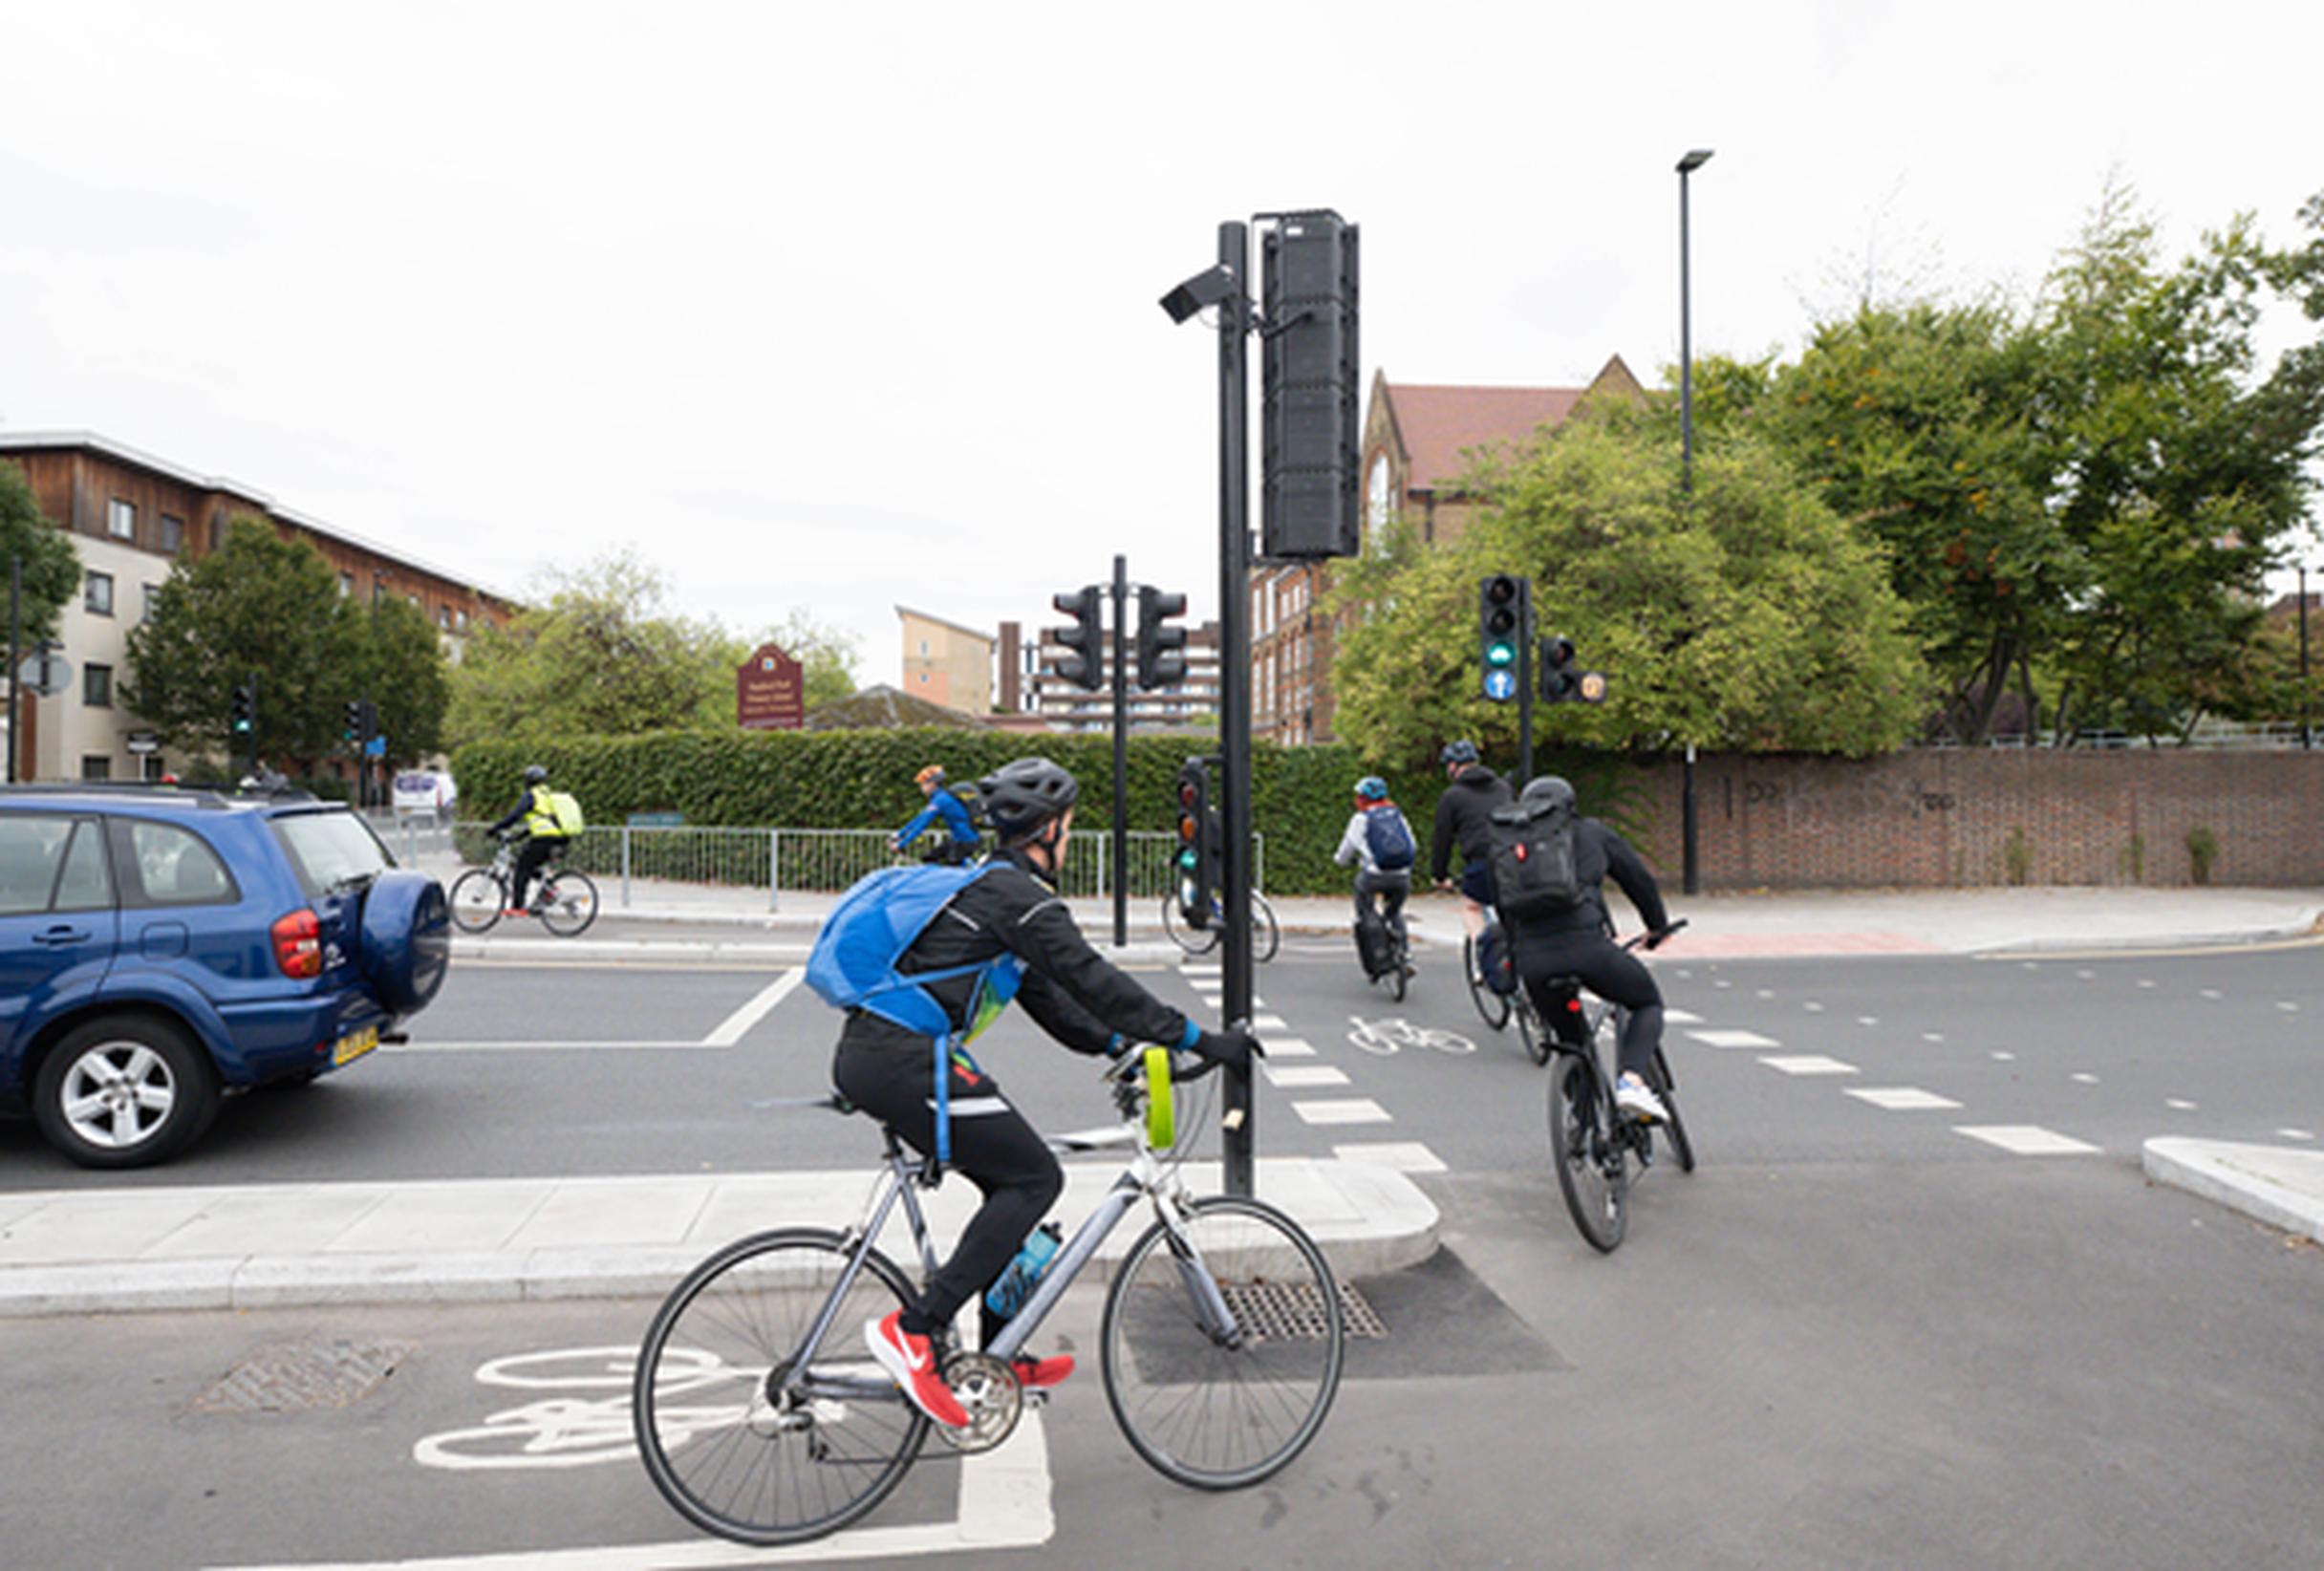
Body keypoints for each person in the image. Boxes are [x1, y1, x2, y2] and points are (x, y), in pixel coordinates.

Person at [839, 756, 1260, 1429]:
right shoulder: (1020, 900)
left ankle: (997, 1352)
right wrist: (1196, 1039)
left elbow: (1060, 1006)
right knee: (1034, 1178)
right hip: (902, 1059)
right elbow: (1096, 980)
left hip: (896, 1058)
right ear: (1049, 828)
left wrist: (1125, 1048)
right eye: (1068, 825)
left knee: (1015, 1179)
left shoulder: (997, 895)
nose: (1069, 837)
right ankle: (914, 1329)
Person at [1499, 775, 1680, 1123]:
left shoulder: (1511, 848)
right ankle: (1631, 1081)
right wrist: (1656, 926)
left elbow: (1505, 910)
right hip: (1589, 950)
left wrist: (1515, 957)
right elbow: (1637, 879)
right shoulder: (1592, 833)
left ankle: (1585, 1126)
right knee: (1646, 1002)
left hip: (1535, 962)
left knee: (1571, 1041)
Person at [1428, 741, 1514, 948]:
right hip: (1512, 860)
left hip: (1482, 863)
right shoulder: (1504, 788)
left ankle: (1484, 954)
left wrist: (1439, 876)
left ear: (1452, 766)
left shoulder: (1452, 796)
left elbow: (1442, 840)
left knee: (1471, 907)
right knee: (1511, 909)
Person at [1333, 775, 1415, 974]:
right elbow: (1412, 845)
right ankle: (1404, 953)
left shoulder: (1361, 819)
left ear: (1362, 799)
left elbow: (1348, 848)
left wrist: (1339, 861)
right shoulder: (1398, 816)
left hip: (1373, 875)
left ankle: (1377, 955)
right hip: (1401, 876)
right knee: (1394, 912)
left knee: (1365, 909)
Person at [486, 764, 572, 916]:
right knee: (530, 867)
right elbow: (538, 822)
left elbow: (515, 816)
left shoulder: (531, 796)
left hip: (544, 839)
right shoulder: (547, 796)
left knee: (521, 868)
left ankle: (518, 907)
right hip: (559, 838)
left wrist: (495, 828)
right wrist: (516, 838)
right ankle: (550, 891)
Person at [893, 764, 980, 866]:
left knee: (952, 871)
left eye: (923, 783)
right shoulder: (939, 798)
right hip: (958, 840)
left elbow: (922, 825)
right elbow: (919, 819)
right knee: (929, 858)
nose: (921, 787)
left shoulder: (940, 800)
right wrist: (899, 834)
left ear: (932, 784)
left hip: (965, 841)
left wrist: (901, 845)